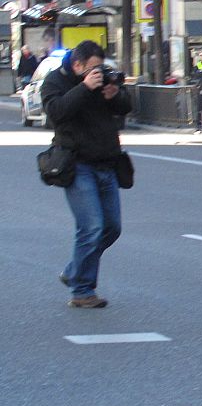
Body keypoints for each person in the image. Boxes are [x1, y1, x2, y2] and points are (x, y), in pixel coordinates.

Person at [43, 40, 131, 309]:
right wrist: (83, 88)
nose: (97, 73)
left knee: (111, 228)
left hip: (107, 163)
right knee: (91, 226)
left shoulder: (103, 79)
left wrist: (114, 93)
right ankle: (82, 291)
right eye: (92, 69)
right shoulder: (55, 81)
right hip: (77, 164)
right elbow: (56, 112)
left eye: (100, 68)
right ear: (77, 65)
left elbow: (126, 106)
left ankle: (74, 271)